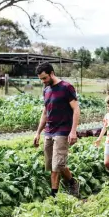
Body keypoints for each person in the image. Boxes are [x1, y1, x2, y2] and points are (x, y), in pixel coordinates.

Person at [33, 63, 81, 198]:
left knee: (57, 166)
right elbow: (45, 112)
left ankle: (54, 196)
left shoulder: (66, 87)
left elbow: (76, 109)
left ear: (52, 73)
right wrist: (38, 132)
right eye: (41, 79)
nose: (43, 81)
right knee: (52, 165)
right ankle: (72, 182)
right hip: (49, 130)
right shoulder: (46, 90)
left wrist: (73, 131)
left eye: (44, 78)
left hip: (63, 130)